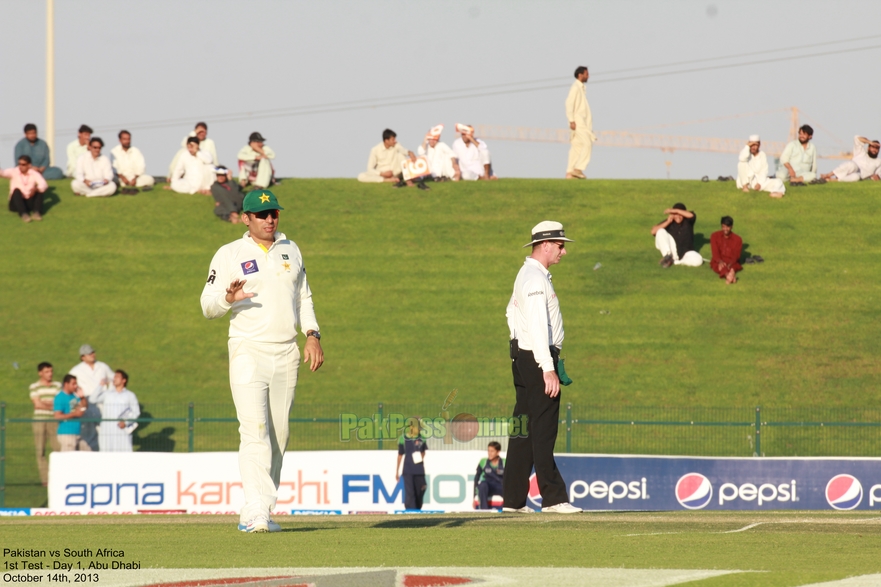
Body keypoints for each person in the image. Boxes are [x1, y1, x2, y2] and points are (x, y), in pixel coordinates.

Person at [200, 189, 324, 533]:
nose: (270, 220)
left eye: (274, 214)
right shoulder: (229, 254)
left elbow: (304, 296)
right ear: (246, 218)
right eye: (262, 215)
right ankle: (254, 510)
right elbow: (207, 305)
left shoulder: (291, 248)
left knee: (279, 435)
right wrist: (228, 298)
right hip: (247, 349)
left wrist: (312, 334)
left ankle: (264, 509)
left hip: (287, 351)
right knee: (254, 432)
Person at [504, 221, 581, 514]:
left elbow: (510, 314)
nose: (564, 251)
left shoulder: (527, 275)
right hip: (537, 358)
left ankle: (513, 500)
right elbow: (537, 326)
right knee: (543, 427)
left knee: (523, 428)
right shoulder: (535, 279)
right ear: (546, 244)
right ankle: (553, 498)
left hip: (525, 356)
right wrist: (547, 366)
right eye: (561, 245)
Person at [68, 344, 114, 452]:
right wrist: (76, 405)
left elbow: (113, 379)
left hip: (103, 403)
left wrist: (109, 391)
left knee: (105, 430)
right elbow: (70, 388)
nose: (92, 355)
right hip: (86, 403)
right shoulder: (76, 371)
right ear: (82, 357)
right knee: (89, 432)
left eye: (93, 352)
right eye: (89, 354)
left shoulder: (102, 366)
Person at [91, 370, 140, 452]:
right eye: (114, 377)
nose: (114, 379)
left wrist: (126, 422)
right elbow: (92, 399)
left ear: (124, 380)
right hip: (106, 430)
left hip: (121, 429)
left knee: (123, 453)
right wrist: (101, 385)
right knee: (106, 453)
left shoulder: (130, 395)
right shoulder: (107, 394)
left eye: (117, 377)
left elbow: (136, 412)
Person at [30, 362, 61, 485]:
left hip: (54, 420)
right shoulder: (35, 386)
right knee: (40, 450)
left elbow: (59, 403)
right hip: (39, 420)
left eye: (51, 371)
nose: (50, 374)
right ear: (40, 373)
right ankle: (45, 479)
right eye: (47, 372)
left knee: (57, 449)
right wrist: (52, 405)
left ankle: (59, 476)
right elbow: (37, 404)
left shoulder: (57, 386)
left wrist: (46, 404)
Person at [565, 66, 597, 179]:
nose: (588, 76)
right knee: (587, 143)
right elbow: (569, 103)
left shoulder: (581, 88)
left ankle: (570, 174)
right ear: (580, 75)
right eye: (586, 74)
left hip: (580, 122)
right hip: (578, 122)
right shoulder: (575, 88)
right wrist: (571, 120)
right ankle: (578, 169)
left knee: (577, 147)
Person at [651, 203, 702, 268]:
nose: (678, 216)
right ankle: (668, 257)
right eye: (675, 214)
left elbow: (691, 215)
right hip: (673, 252)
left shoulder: (688, 221)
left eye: (680, 214)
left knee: (699, 260)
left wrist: (675, 211)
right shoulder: (669, 221)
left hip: (687, 252)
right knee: (660, 231)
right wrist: (668, 222)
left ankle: (676, 262)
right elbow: (653, 231)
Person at [2, 155, 48, 222]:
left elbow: (44, 184)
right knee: (16, 191)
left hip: (28, 200)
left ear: (29, 165)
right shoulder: (14, 171)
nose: (20, 166)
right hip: (15, 203)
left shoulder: (34, 173)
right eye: (19, 164)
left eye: (23, 164)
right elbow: (3, 173)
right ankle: (23, 214)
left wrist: (35, 189)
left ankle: (37, 213)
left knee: (40, 190)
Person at [396, 419, 427, 510]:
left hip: (419, 470)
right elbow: (400, 455)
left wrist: (419, 456)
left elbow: (423, 452)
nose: (420, 429)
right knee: (410, 493)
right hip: (408, 469)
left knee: (422, 488)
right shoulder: (403, 438)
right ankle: (410, 511)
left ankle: (418, 508)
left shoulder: (422, 438)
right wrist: (397, 471)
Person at [54, 374, 90, 452]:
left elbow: (84, 407)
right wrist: (75, 414)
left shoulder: (74, 396)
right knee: (68, 458)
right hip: (66, 433)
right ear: (66, 384)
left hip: (77, 433)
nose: (75, 386)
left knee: (87, 452)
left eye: (76, 384)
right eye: (73, 384)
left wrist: (82, 397)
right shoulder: (60, 397)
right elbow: (57, 416)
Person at [710, 216, 743, 285]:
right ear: (721, 226)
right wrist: (719, 261)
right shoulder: (714, 236)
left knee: (734, 266)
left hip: (732, 261)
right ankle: (729, 275)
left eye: (728, 227)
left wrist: (730, 264)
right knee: (719, 266)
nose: (725, 229)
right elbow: (715, 251)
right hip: (719, 260)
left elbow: (737, 255)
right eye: (723, 226)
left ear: (732, 227)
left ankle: (730, 274)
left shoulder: (738, 239)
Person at [474, 441, 505, 510]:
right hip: (488, 485)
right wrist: (474, 497)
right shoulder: (483, 462)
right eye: (488, 451)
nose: (489, 453)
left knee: (508, 489)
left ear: (498, 452)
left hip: (500, 486)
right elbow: (476, 478)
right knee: (482, 485)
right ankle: (484, 510)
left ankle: (507, 510)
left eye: (492, 451)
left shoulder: (504, 462)